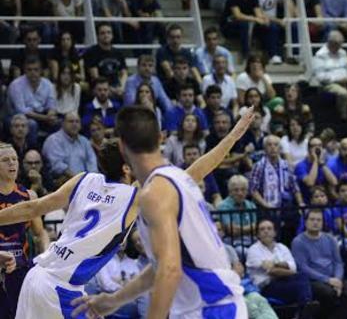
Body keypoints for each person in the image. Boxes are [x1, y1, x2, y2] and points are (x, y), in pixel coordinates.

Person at [70, 106, 256, 318]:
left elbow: (169, 270)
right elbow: (161, 265)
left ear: (122, 146)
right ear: (160, 138)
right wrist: (113, 300)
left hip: (210, 308)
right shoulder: (176, 178)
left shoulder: (154, 194)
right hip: (211, 306)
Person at [0, 144, 49, 319]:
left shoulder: (28, 196)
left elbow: (40, 232)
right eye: (5, 160)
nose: (11, 163)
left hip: (21, 269)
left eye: (14, 159)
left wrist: (46, 256)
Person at [292, 209, 347, 319]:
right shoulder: (298, 242)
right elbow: (303, 268)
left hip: (334, 278)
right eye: (312, 219)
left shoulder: (330, 238)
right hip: (313, 280)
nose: (315, 222)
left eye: (319, 220)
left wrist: (337, 279)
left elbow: (338, 262)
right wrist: (327, 280)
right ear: (305, 222)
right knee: (328, 294)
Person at [246, 219, 311, 307]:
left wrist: (275, 264)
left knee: (303, 276)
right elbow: (272, 271)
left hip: (285, 281)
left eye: (269, 229)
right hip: (267, 287)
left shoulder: (282, 247)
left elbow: (293, 267)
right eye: (262, 229)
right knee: (300, 287)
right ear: (258, 234)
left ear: (274, 233)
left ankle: (305, 306)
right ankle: (306, 307)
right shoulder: (253, 250)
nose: (266, 231)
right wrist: (284, 267)